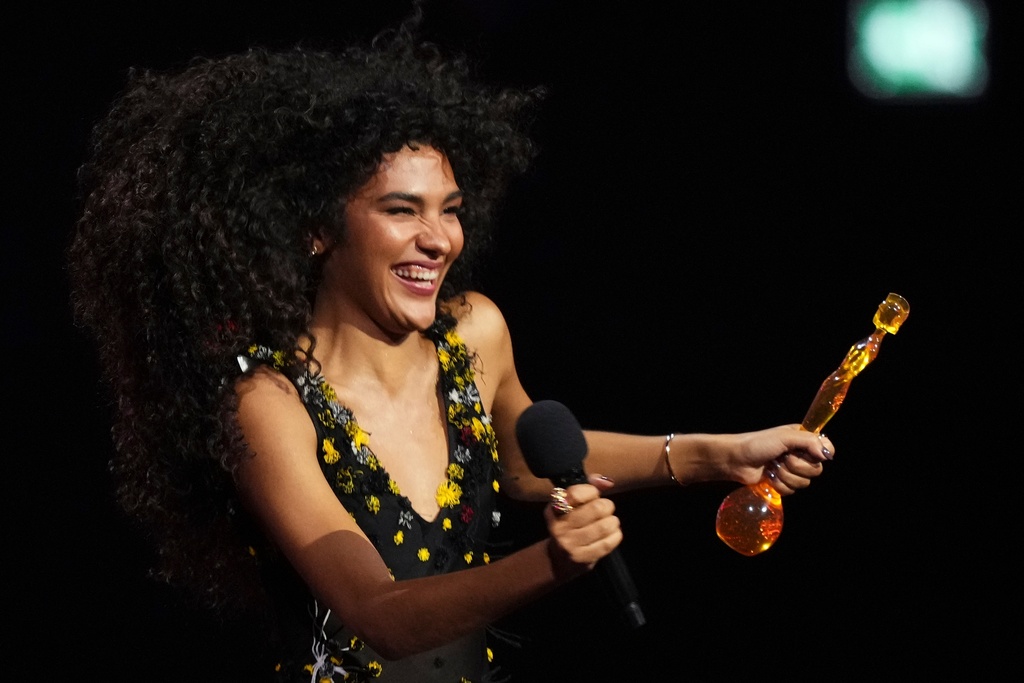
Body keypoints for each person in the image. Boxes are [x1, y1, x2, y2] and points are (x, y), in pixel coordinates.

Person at [67, 7, 833, 682]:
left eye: (452, 211)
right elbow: (382, 615)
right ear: (315, 230)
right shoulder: (268, 401)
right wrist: (552, 561)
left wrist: (717, 454)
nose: (439, 240)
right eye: (403, 211)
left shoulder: (475, 332)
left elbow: (524, 461)